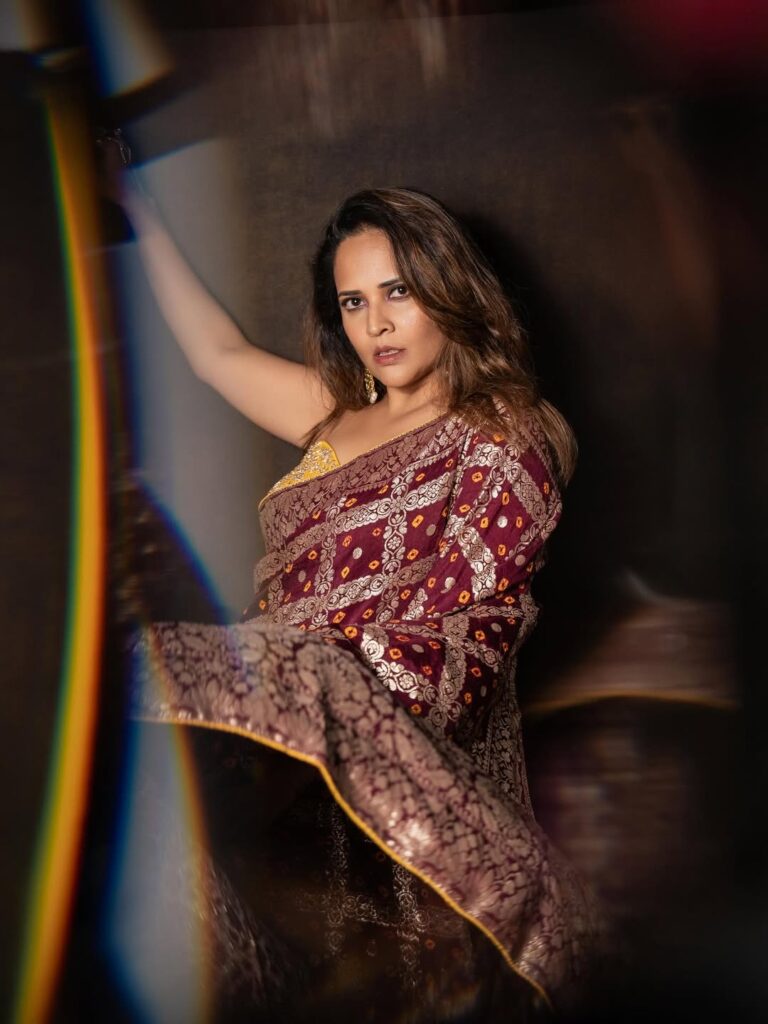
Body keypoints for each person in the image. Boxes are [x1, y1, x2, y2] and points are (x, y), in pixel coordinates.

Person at [113, 156, 596, 1022]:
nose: (376, 324)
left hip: (369, 743)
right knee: (121, 696)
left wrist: (319, 674)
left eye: (397, 292)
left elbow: (467, 633)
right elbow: (217, 355)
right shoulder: (334, 417)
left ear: (447, 287)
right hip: (266, 713)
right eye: (352, 302)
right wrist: (134, 203)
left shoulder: (501, 434)